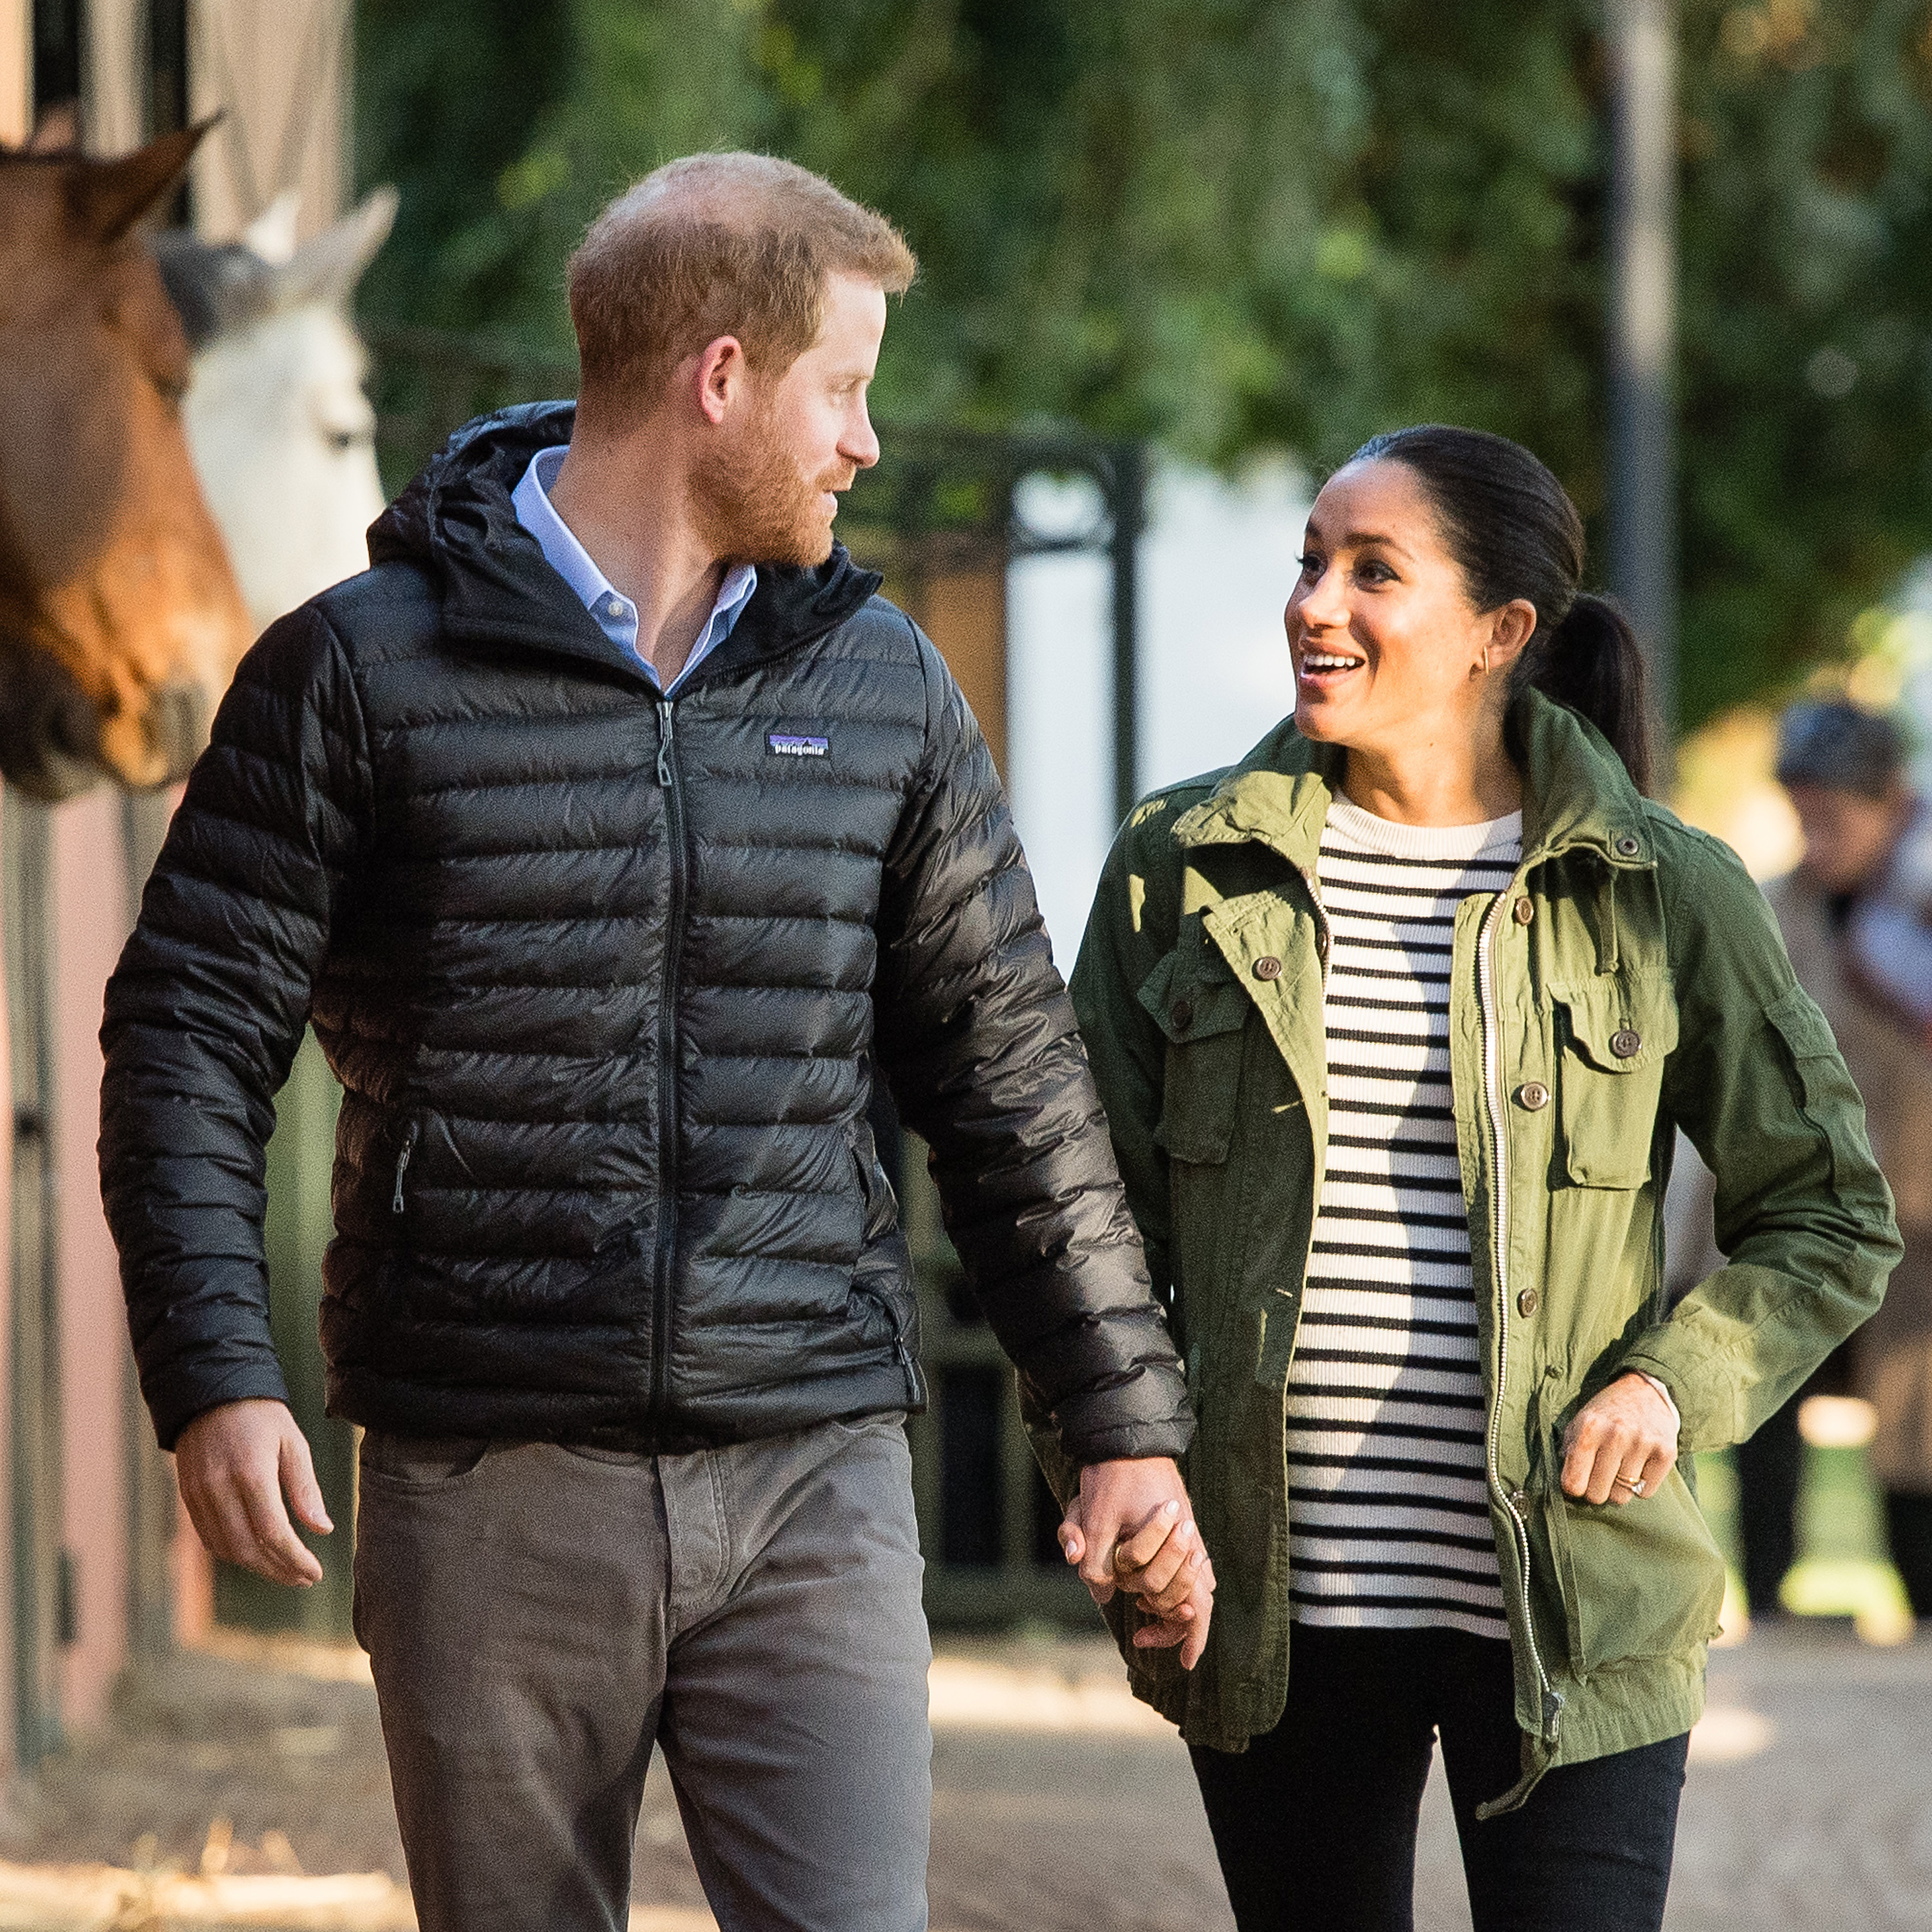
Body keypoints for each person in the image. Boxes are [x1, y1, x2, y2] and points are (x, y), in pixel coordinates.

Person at [99, 153, 1211, 1932]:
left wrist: (1123, 1423)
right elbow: (186, 1032)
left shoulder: (881, 690)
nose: (864, 440)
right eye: (842, 387)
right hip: (484, 1478)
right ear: (719, 376)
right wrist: (218, 1372)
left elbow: (1010, 1078)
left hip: (813, 1473)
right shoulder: (357, 673)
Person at [1063, 424, 1899, 1932]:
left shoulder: (1661, 888)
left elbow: (1830, 1211)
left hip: (1577, 1611)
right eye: (1310, 560)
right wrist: (1114, 1478)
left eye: (1374, 570)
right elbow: (1077, 1231)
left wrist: (1673, 1385)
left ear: (1501, 633)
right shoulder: (1177, 870)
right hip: (1278, 1618)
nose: (1318, 601)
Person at [1668, 701, 1932, 1622]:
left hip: (1919, 1226)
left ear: (1893, 803)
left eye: (1836, 818)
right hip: (1790, 1214)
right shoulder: (1776, 909)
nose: (1816, 839)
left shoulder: (1920, 903)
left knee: (1917, 1441)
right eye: (1802, 815)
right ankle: (1773, 1609)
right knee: (1759, 1382)